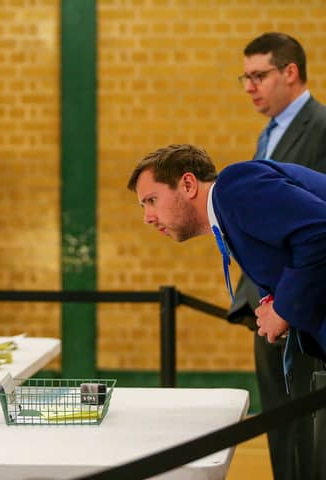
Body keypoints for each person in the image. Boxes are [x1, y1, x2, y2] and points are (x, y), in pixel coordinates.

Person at [229, 32, 326, 480]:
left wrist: (285, 305)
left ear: (290, 72)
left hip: (301, 307)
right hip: (266, 307)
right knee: (280, 429)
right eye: (245, 78)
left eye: (259, 75)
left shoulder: (321, 127)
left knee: (308, 435)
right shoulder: (270, 133)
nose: (250, 87)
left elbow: (312, 228)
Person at [128, 144, 326, 360]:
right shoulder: (228, 214)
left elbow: (319, 234)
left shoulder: (234, 187)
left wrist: (282, 310)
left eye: (152, 200)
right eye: (143, 206)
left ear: (187, 184)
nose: (147, 217)